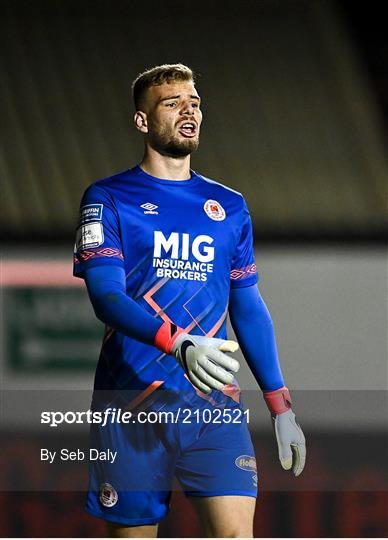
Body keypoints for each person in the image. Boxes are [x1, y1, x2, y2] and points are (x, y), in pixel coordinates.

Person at [73, 63, 306, 538]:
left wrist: (281, 405)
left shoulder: (230, 207)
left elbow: (248, 306)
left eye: (195, 102)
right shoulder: (108, 198)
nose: (189, 111)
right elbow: (106, 296)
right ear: (142, 121)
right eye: (173, 102)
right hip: (133, 404)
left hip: (212, 406)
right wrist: (178, 343)